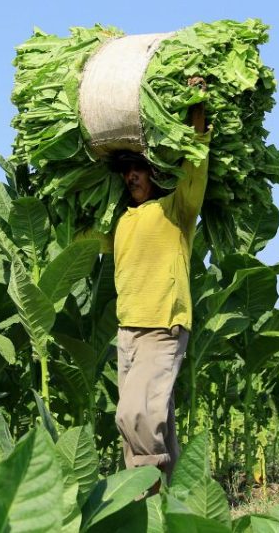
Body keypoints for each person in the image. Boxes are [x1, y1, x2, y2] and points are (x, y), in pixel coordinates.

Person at [106, 105, 208, 488]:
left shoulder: (175, 210)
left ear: (156, 173)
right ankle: (176, 502)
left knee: (136, 415)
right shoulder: (120, 221)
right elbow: (80, 239)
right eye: (126, 170)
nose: (131, 176)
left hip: (162, 325)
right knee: (151, 425)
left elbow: (195, 174)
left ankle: (144, 497)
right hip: (128, 332)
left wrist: (198, 123)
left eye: (138, 168)